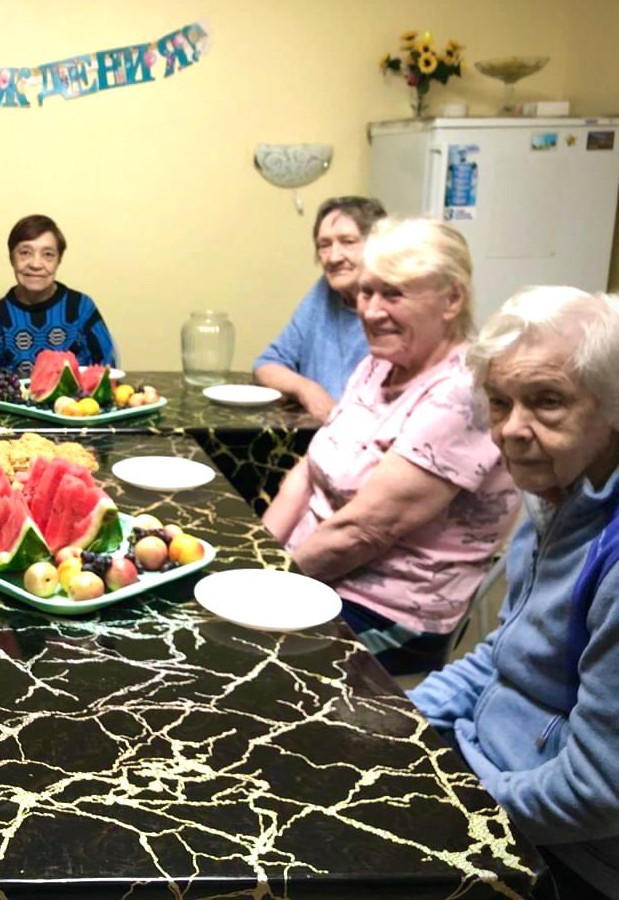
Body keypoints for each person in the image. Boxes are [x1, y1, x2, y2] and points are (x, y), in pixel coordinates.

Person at [409, 287, 619, 900]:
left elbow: (596, 794)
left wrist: (456, 803)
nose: (511, 431)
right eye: (499, 402)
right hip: (488, 771)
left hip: (569, 857)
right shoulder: (557, 494)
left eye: (547, 402)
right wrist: (401, 723)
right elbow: (505, 652)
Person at [262, 217, 519, 674]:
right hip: (314, 573)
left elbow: (362, 532)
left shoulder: (463, 393)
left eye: (394, 294)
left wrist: (266, 588)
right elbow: (307, 471)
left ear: (452, 298)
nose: (371, 310)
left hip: (388, 610)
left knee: (229, 657)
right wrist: (258, 555)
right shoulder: (379, 364)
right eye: (366, 291)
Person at [253, 196, 387, 421]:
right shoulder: (324, 293)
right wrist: (307, 389)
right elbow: (267, 364)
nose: (334, 257)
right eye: (325, 245)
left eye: (348, 241)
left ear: (379, 245)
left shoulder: (395, 311)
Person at [0, 214, 117, 376]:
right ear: (12, 258)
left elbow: (107, 369)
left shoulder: (81, 308)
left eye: (48, 254)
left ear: (59, 260)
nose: (36, 264)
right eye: (25, 253)